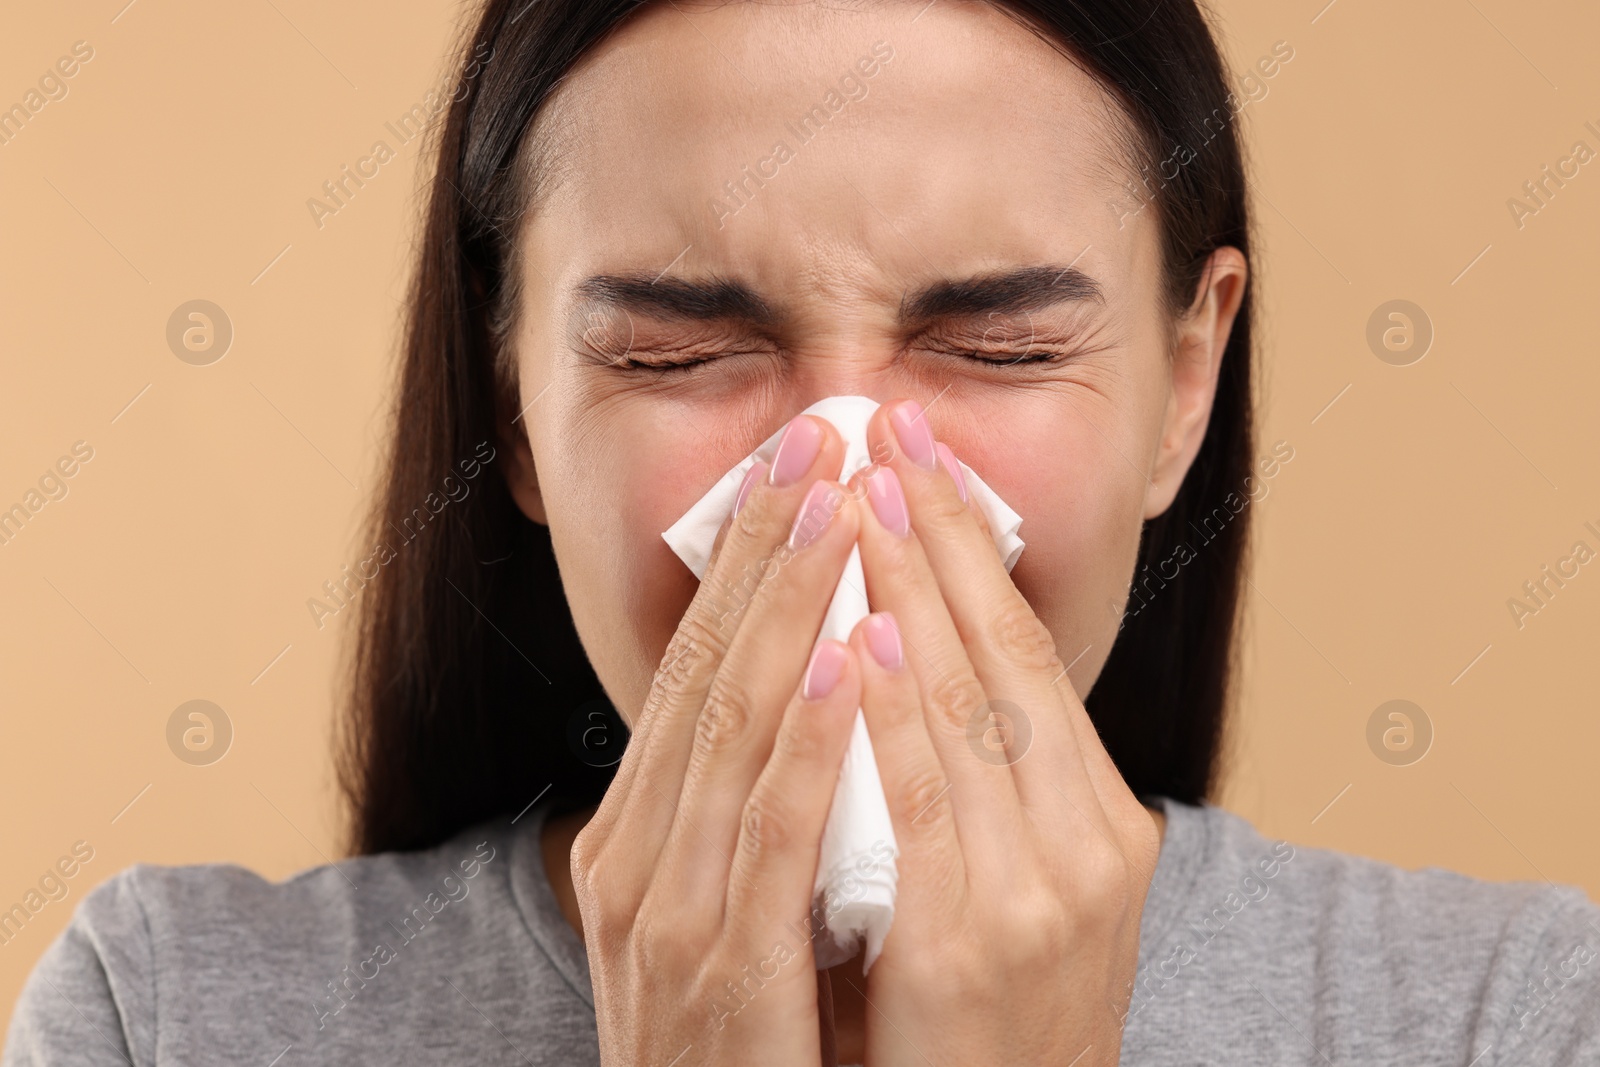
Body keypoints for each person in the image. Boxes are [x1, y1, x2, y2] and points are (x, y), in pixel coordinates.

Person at [8, 0, 1599, 1063]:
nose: (839, 492)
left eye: (1000, 348)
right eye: (678, 355)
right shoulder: (174, 1017)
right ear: (514, 408)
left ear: (1185, 383)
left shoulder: (1504, 1020)